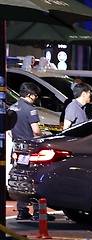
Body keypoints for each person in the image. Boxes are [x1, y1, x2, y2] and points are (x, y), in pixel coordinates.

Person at [9, 82, 42, 220]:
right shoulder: (31, 110)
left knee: (20, 179)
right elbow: (36, 131)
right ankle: (37, 211)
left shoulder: (12, 107)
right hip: (29, 149)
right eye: (35, 95)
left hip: (16, 148)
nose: (36, 97)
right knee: (33, 179)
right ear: (29, 95)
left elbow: (9, 131)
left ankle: (22, 210)